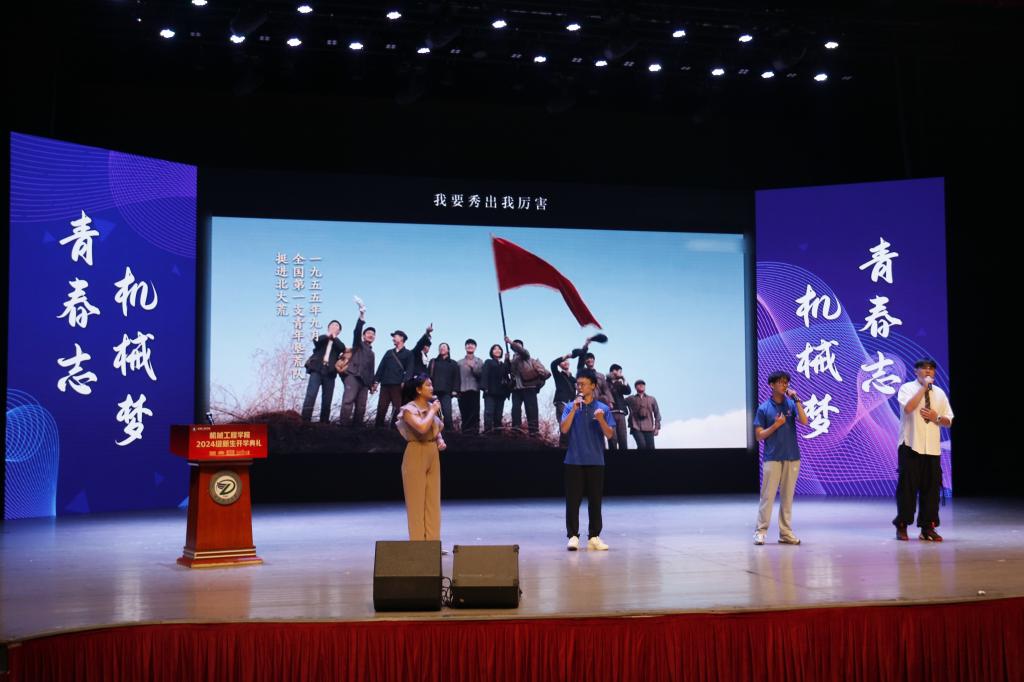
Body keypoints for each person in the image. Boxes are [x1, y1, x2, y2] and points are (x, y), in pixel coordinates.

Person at [893, 358, 954, 542]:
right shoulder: (907, 389)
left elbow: (949, 421)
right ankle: (902, 525)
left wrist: (937, 417)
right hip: (911, 445)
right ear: (916, 371)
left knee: (932, 490)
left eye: (931, 369)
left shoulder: (940, 393)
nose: (928, 371)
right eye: (924, 368)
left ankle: (928, 528)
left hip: (932, 449)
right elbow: (909, 408)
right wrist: (924, 389)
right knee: (907, 489)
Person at [560, 369, 615, 551]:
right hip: (574, 461)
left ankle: (594, 537)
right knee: (573, 501)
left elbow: (610, 434)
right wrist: (574, 410)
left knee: (595, 501)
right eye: (578, 384)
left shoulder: (603, 408)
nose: (580, 387)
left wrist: (600, 419)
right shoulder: (570, 406)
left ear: (593, 386)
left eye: (583, 384)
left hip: (596, 461)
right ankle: (573, 536)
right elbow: (564, 429)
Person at [753, 371, 808, 546]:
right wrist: (775, 425)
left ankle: (785, 533)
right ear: (772, 385)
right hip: (773, 458)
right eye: (781, 382)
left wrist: (797, 399)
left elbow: (804, 421)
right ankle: (761, 532)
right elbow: (759, 436)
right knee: (767, 496)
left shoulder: (791, 404)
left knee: (787, 497)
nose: (785, 385)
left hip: (792, 457)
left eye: (786, 383)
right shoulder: (763, 408)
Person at [395, 374, 446, 541]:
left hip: (432, 451)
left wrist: (439, 439)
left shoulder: (431, 407)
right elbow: (422, 428)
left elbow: (435, 428)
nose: (432, 388)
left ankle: (433, 543)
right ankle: (418, 544)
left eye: (431, 385)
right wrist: (432, 411)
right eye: (428, 385)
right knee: (416, 502)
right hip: (416, 451)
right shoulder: (409, 410)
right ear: (418, 389)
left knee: (433, 501)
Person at [301, 320, 345, 423]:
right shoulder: (322, 338)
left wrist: (334, 337)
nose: (334, 326)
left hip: (330, 372)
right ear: (328, 327)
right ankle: (305, 420)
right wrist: (327, 336)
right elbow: (315, 341)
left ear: (339, 331)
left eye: (337, 326)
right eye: (332, 325)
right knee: (311, 394)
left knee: (327, 399)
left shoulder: (338, 343)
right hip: (317, 369)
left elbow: (342, 348)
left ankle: (324, 422)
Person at [340, 300, 376, 427]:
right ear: (363, 336)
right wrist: (362, 315)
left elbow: (372, 370)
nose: (371, 335)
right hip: (353, 376)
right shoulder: (358, 345)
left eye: (373, 334)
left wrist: (372, 384)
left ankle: (357, 430)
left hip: (365, 382)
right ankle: (343, 427)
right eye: (368, 333)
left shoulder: (372, 353)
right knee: (348, 401)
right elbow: (356, 331)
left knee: (361, 407)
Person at [506, 336, 548, 436]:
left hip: (529, 387)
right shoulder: (511, 361)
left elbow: (523, 352)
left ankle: (534, 432)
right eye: (515, 345)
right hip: (516, 389)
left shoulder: (526, 357)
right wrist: (506, 360)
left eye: (519, 345)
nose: (517, 347)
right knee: (515, 410)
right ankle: (516, 431)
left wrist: (511, 342)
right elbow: (506, 371)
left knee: (532, 410)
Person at [373, 329, 412, 428]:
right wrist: (376, 381)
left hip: (398, 384)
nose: (393, 338)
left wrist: (404, 381)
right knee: (381, 407)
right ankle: (378, 429)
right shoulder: (389, 352)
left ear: (402, 338)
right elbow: (381, 367)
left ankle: (395, 430)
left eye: (395, 336)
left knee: (397, 409)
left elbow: (409, 369)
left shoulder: (408, 353)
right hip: (385, 384)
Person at [428, 342, 459, 431]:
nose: (442, 348)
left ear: (448, 350)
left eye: (444, 347)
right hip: (433, 392)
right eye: (440, 347)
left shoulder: (453, 363)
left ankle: (449, 432)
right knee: (432, 413)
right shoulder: (433, 361)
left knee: (447, 413)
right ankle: (431, 432)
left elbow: (456, 377)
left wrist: (455, 390)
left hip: (447, 392)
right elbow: (428, 376)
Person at [457, 339, 483, 434]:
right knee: (464, 412)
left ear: (475, 347)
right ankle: (464, 433)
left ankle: (475, 432)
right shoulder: (459, 362)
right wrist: (456, 390)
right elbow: (456, 377)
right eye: (468, 344)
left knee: (475, 413)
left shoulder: (479, 361)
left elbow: (481, 375)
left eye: (472, 344)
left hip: (474, 389)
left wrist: (473, 367)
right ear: (465, 347)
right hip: (462, 390)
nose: (470, 346)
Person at [480, 344, 509, 432]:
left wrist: (507, 360)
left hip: (501, 393)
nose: (497, 350)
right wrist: (485, 387)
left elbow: (507, 374)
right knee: (489, 413)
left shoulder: (503, 364)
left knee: (498, 415)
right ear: (491, 352)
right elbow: (484, 374)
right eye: (495, 349)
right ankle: (487, 431)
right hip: (490, 391)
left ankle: (497, 433)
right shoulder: (488, 362)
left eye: (499, 349)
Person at [625, 380, 661, 449]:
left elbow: (657, 414)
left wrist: (657, 427)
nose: (641, 385)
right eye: (639, 384)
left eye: (643, 384)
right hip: (636, 426)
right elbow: (620, 402)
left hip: (649, 427)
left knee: (650, 447)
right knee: (642, 445)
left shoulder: (651, 399)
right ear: (635, 387)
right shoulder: (631, 398)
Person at [550, 354, 575, 446]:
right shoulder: (558, 375)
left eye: (566, 361)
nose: (565, 363)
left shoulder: (573, 379)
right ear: (560, 365)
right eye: (563, 362)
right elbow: (553, 364)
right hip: (562, 403)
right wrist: (566, 356)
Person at [606, 364, 631, 450]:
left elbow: (628, 391)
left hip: (621, 412)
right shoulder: (605, 383)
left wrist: (623, 378)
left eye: (620, 372)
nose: (619, 373)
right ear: (613, 371)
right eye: (618, 371)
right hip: (610, 413)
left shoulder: (620, 383)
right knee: (612, 438)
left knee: (623, 438)